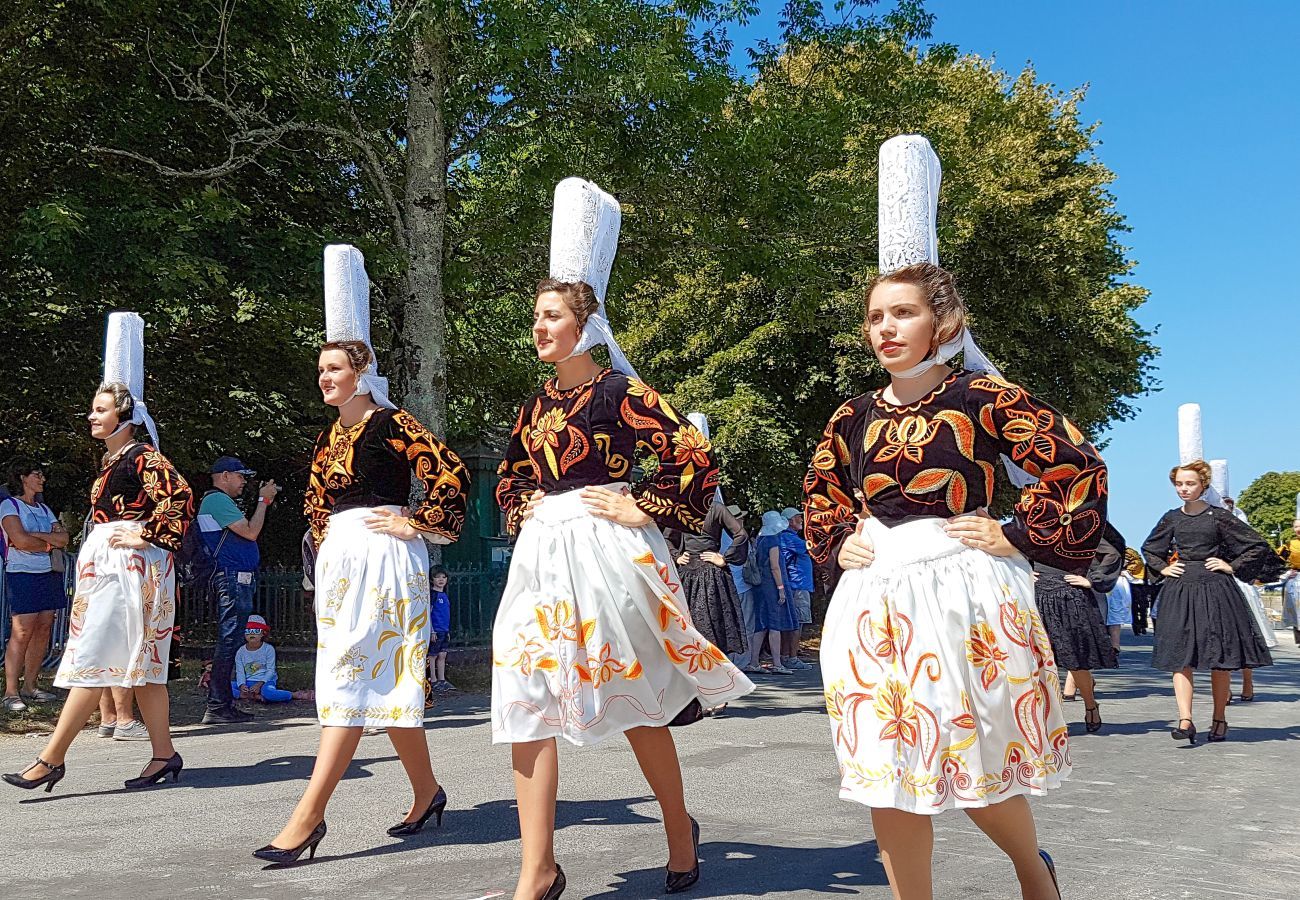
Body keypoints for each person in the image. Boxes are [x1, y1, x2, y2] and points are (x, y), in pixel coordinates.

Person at [804, 136, 1089, 899]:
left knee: (975, 759)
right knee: (886, 772)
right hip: (875, 602)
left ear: (944, 322)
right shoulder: (851, 415)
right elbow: (822, 491)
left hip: (964, 595)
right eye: (875, 317)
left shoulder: (984, 398)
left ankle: (1034, 871)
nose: (886, 328)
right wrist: (838, 545)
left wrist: (1018, 532)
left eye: (903, 313)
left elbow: (1074, 464)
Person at [492, 179, 753, 900]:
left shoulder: (619, 392)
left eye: (551, 317)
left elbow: (693, 455)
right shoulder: (531, 407)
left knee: (637, 699)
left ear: (583, 325)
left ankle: (678, 829)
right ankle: (536, 870)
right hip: (543, 557)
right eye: (536, 317)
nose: (539, 328)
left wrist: (648, 506)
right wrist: (528, 513)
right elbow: (510, 478)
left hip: (610, 557)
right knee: (526, 697)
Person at [254, 244, 469, 863]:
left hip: (385, 558)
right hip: (346, 562)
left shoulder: (390, 423)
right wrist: (322, 549)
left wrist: (421, 523)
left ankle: (308, 816)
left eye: (336, 370)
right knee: (384, 680)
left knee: (350, 677)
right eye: (321, 370)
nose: (326, 378)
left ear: (362, 372)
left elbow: (449, 471)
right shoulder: (331, 434)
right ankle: (427, 792)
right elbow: (317, 506)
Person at [4, 312, 194, 793]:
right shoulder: (117, 461)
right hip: (116, 568)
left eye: (100, 410)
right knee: (143, 668)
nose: (92, 415)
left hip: (129, 570)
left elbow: (181, 498)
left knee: (94, 657)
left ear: (124, 418)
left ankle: (51, 758)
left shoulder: (142, 457)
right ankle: (164, 755)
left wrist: (147, 533)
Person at [1141, 460, 1280, 744]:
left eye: (1189, 483)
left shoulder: (1219, 517)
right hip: (1179, 590)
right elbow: (1150, 549)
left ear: (1203, 484)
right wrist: (1164, 568)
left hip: (1216, 590)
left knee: (1219, 657)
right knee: (1179, 657)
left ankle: (1219, 718)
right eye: (1179, 484)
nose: (1183, 489)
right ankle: (1185, 719)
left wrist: (1231, 565)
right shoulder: (1171, 518)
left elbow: (1256, 545)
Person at [198, 455, 280, 724]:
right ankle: (218, 705)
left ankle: (221, 703)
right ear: (224, 476)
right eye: (240, 476)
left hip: (232, 578)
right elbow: (250, 531)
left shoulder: (217, 501)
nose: (244, 482)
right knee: (230, 640)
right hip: (232, 579)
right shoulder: (217, 500)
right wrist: (263, 501)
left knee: (230, 640)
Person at [1034, 524, 1123, 732]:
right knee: (1038, 661)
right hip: (1035, 594)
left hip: (1069, 594)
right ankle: (1047, 716)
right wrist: (1024, 572)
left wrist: (1092, 579)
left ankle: (1090, 703)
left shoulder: (1080, 521)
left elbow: (1113, 551)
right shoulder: (1031, 520)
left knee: (1075, 660)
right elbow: (1011, 550)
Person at [2, 460, 69, 711]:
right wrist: (48, 542)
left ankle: (31, 685)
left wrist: (39, 539)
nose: (42, 479)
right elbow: (19, 540)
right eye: (36, 474)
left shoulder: (44, 508)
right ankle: (10, 692)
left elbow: (64, 538)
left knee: (44, 627)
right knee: (22, 631)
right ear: (22, 477)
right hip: (22, 573)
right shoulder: (9, 506)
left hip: (48, 572)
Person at [753, 510, 799, 674]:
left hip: (760, 585)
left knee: (762, 624)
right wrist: (781, 589)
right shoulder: (773, 540)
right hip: (772, 585)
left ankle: (753, 661)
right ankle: (777, 663)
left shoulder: (760, 539)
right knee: (775, 623)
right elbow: (775, 566)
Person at [779, 507, 815, 669]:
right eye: (797, 518)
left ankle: (786, 656)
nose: (801, 520)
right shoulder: (789, 537)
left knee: (792, 622)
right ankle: (791, 657)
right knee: (797, 623)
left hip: (796, 585)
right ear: (788, 521)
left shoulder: (788, 537)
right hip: (797, 585)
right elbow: (813, 546)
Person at [231, 615, 294, 703]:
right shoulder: (240, 651)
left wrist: (260, 684)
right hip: (247, 682)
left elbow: (271, 670)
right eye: (248, 631)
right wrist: (242, 685)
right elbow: (240, 671)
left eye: (256, 631)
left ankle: (293, 694)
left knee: (269, 694)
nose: (251, 634)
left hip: (265, 682)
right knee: (224, 687)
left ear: (263, 633)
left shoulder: (268, 649)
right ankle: (248, 695)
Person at [428, 568, 453, 693]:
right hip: (436, 630)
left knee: (442, 654)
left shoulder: (445, 595)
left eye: (443, 577)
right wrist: (432, 631)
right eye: (438, 577)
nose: (441, 580)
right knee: (433, 655)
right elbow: (429, 613)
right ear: (432, 579)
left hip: (444, 629)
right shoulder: (433, 595)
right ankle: (433, 680)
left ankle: (442, 680)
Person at [1280, 516, 1300, 646]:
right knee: (1296, 610)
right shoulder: (1289, 545)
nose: (1299, 529)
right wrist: (1286, 572)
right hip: (1296, 578)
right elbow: (1277, 561)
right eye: (1296, 526)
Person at [1125, 549, 1152, 636]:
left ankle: (1139, 627)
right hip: (1137, 586)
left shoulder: (1128, 568)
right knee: (1139, 608)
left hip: (1136, 586)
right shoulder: (1141, 565)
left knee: (1137, 608)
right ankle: (1140, 627)